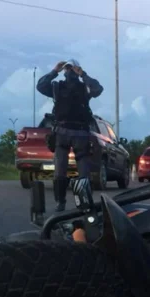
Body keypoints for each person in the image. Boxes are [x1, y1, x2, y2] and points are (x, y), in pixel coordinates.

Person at [36, 59, 104, 212]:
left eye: (71, 69)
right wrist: (55, 70)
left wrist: (83, 74)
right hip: (63, 132)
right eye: (67, 69)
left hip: (80, 133)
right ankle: (61, 202)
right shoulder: (57, 87)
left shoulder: (84, 87)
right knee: (60, 170)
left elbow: (98, 89)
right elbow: (40, 86)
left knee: (83, 171)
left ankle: (84, 202)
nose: (69, 71)